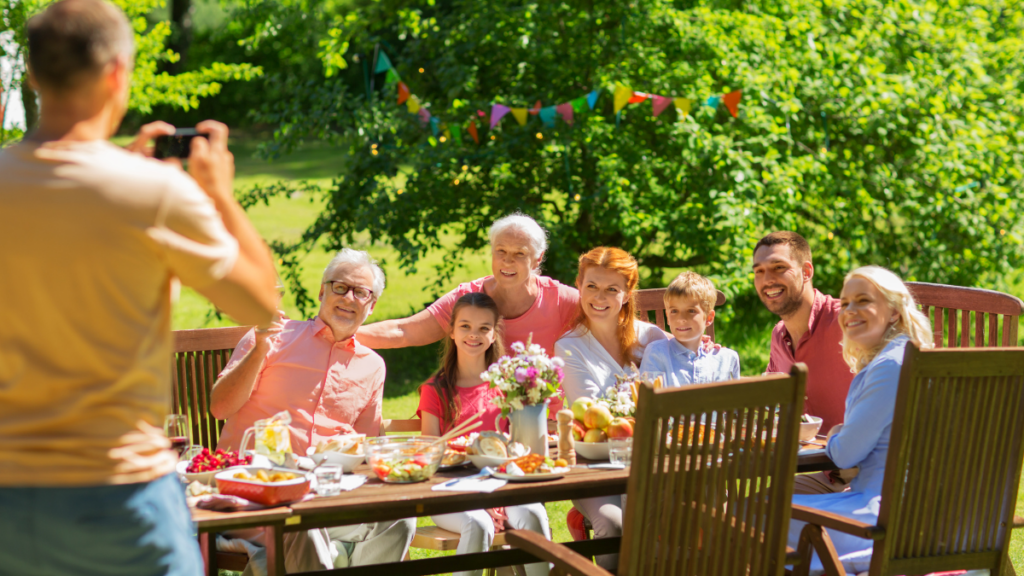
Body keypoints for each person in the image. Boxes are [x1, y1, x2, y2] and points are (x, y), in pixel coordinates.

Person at [0, 0, 280, 573]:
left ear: (31, 74)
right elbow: (258, 303)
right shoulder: (153, 194)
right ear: (116, 74)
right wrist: (219, 194)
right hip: (120, 494)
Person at [211, 249, 415, 574]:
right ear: (322, 291)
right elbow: (220, 407)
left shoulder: (372, 366)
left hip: (324, 494)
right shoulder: (272, 337)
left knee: (399, 521)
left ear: (372, 304)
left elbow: (367, 445)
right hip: (254, 491)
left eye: (361, 292)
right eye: (340, 287)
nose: (349, 298)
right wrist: (261, 349)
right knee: (301, 527)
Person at [786, 266, 933, 575]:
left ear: (894, 311)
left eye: (863, 300)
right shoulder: (917, 359)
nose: (849, 311)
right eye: (845, 302)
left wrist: (838, 432)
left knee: (745, 517)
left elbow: (844, 454)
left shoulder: (890, 367)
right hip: (923, 518)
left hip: (879, 522)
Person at [357, 213, 580, 413]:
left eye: (519, 253)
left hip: (541, 424)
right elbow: (405, 330)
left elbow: (608, 323)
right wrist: (339, 333)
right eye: (500, 251)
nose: (507, 260)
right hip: (479, 421)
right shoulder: (468, 298)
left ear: (538, 258)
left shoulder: (561, 300)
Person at [417, 293, 551, 576]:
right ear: (451, 331)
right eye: (465, 326)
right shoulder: (435, 389)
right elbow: (430, 453)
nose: (473, 335)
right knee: (477, 523)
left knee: (534, 512)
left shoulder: (507, 386)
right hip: (450, 492)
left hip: (502, 483)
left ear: (493, 334)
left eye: (483, 328)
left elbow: (518, 447)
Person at [554, 247, 669, 570]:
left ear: (628, 292)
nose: (599, 297)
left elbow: (685, 372)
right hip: (598, 468)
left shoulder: (653, 338)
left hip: (654, 465)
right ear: (579, 285)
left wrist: (701, 346)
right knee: (614, 524)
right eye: (591, 286)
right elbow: (596, 420)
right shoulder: (569, 347)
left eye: (611, 289)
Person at [753, 231, 857, 495]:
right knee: (736, 513)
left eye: (779, 268)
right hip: (823, 472)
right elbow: (771, 400)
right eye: (759, 271)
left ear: (806, 271)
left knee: (749, 520)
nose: (767, 280)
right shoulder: (780, 335)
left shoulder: (846, 322)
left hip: (864, 477)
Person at [639, 271, 740, 386]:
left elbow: (734, 401)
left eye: (691, 311)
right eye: (674, 311)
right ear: (667, 316)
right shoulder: (657, 353)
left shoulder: (726, 359)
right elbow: (649, 400)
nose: (681, 319)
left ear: (709, 318)